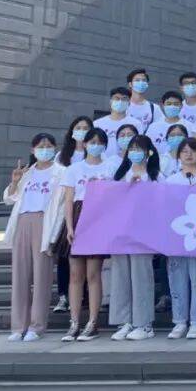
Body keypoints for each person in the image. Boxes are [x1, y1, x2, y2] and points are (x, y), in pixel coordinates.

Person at [4, 133, 64, 341]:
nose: (44, 149)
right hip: (22, 221)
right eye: (40, 146)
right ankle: (18, 326)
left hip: (44, 222)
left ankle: (36, 326)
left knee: (41, 277)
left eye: (48, 146)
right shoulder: (26, 172)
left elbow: (61, 208)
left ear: (55, 148)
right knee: (20, 276)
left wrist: (54, 236)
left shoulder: (61, 172)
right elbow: (10, 199)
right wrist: (14, 182)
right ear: (33, 150)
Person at [58, 127, 115, 341]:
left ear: (105, 145)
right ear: (85, 144)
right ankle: (74, 322)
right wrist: (69, 227)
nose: (95, 145)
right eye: (92, 142)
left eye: (99, 142)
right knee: (75, 275)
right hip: (78, 216)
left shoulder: (109, 168)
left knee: (93, 274)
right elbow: (68, 200)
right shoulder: (74, 169)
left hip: (99, 218)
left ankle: (92, 322)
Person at [161, 137, 196, 339]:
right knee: (177, 278)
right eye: (184, 151)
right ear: (178, 156)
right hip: (177, 234)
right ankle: (179, 321)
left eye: (193, 150)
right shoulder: (171, 180)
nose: (188, 154)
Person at [109, 135, 160, 341]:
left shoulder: (155, 176)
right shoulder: (120, 174)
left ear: (149, 152)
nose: (135, 152)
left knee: (141, 276)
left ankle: (144, 323)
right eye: (132, 148)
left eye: (139, 149)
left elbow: (161, 202)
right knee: (120, 276)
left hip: (143, 231)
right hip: (120, 231)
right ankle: (124, 321)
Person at [53, 116, 92, 314]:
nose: (82, 131)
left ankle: (83, 295)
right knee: (65, 255)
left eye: (86, 128)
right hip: (66, 208)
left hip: (89, 210)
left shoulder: (94, 153)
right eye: (78, 127)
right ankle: (63, 296)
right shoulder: (62, 156)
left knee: (86, 255)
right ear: (72, 131)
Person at [93, 87, 133, 156]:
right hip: (102, 161)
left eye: (124, 99)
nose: (120, 101)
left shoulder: (135, 124)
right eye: (117, 98)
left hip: (125, 161)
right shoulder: (97, 124)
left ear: (129, 102)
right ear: (111, 101)